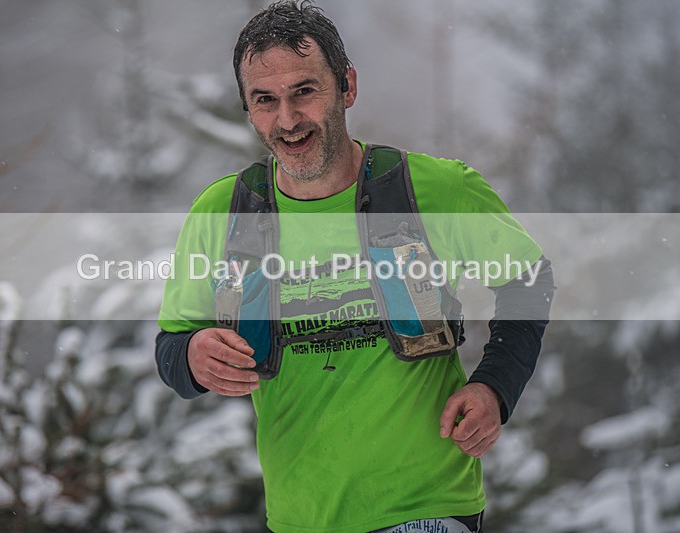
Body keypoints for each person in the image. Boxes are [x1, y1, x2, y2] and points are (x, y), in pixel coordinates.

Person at [155, 1, 554, 532]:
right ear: (248, 109)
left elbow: (528, 279)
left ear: (347, 87)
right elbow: (172, 349)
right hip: (300, 520)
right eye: (265, 100)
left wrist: (494, 387)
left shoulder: (433, 190)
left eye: (305, 91)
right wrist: (194, 356)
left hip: (425, 509)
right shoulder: (225, 213)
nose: (288, 119)